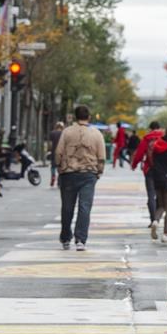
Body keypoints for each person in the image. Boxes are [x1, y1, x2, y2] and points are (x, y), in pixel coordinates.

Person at [55, 106, 106, 251]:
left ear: (75, 116)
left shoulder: (66, 132)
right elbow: (102, 156)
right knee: (85, 207)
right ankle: (81, 239)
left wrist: (59, 167)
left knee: (67, 207)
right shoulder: (96, 133)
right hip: (88, 174)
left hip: (68, 173)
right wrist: (99, 171)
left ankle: (66, 238)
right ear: (89, 117)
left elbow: (59, 152)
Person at [131, 121, 164, 228]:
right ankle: (157, 218)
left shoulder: (147, 138)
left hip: (149, 169)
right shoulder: (164, 137)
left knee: (151, 194)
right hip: (163, 171)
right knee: (161, 195)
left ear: (150, 128)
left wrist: (134, 164)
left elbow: (140, 153)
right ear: (159, 127)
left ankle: (153, 219)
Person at [49, 122, 65, 187]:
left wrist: (50, 149)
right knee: (60, 166)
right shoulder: (63, 133)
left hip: (54, 152)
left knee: (53, 166)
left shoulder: (52, 133)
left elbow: (50, 144)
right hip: (61, 152)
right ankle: (59, 180)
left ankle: (53, 176)